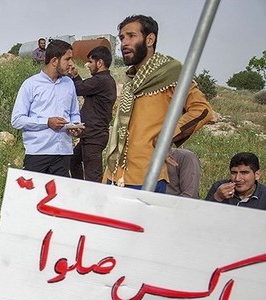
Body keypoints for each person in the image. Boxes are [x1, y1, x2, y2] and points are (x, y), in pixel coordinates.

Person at [104, 15, 213, 192]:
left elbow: (203, 110)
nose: (124, 43)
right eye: (122, 38)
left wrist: (165, 138)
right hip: (113, 173)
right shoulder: (132, 79)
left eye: (131, 36)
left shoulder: (171, 73)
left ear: (150, 39)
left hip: (147, 176)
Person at [11, 40, 82, 177]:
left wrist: (76, 126)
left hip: (63, 153)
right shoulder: (30, 85)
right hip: (38, 153)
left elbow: (74, 113)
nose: (71, 64)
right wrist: (47, 122)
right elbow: (17, 120)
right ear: (54, 61)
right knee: (33, 197)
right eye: (67, 59)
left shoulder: (69, 84)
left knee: (59, 197)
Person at [69, 46, 117, 183]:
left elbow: (78, 88)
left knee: (93, 177)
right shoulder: (104, 81)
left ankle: (93, 200)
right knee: (73, 160)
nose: (88, 65)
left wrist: (70, 76)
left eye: (90, 62)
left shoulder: (101, 80)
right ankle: (80, 188)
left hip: (94, 136)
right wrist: (75, 75)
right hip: (91, 134)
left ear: (100, 63)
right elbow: (85, 89)